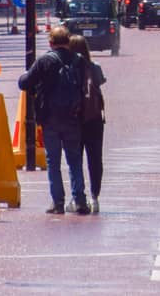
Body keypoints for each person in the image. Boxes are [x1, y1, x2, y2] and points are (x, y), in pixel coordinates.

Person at [17, 25, 90, 215]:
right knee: (74, 159)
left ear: (50, 42)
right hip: (73, 116)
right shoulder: (79, 61)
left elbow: (25, 83)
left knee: (54, 161)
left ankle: (58, 202)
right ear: (68, 42)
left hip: (49, 117)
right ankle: (80, 200)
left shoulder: (45, 61)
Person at [68, 35, 106, 214]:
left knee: (75, 159)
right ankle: (94, 197)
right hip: (94, 118)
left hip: (74, 118)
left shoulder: (67, 69)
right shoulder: (94, 67)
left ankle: (76, 196)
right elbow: (99, 83)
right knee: (95, 158)